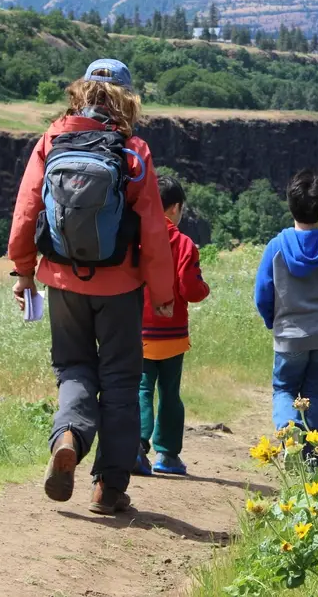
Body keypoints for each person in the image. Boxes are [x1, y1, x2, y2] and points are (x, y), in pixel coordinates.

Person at [8, 59, 175, 515]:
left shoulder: (52, 139)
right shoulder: (134, 150)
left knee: (74, 368)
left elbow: (26, 211)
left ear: (79, 91)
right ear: (128, 98)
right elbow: (154, 233)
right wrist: (163, 293)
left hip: (61, 279)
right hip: (120, 285)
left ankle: (68, 436)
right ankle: (109, 488)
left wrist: (24, 271)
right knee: (121, 381)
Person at [254, 170, 318, 433]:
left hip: (288, 334)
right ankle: (314, 453)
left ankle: (291, 435)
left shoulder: (275, 247)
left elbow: (262, 295)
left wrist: (273, 322)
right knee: (315, 392)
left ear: (290, 207)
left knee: (285, 389)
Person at [133, 174, 210, 478]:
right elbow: (190, 288)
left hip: (139, 334)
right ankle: (168, 455)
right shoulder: (185, 244)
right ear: (176, 207)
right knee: (169, 392)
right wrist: (203, 288)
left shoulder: (136, 239)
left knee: (140, 389)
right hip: (173, 335)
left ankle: (137, 449)